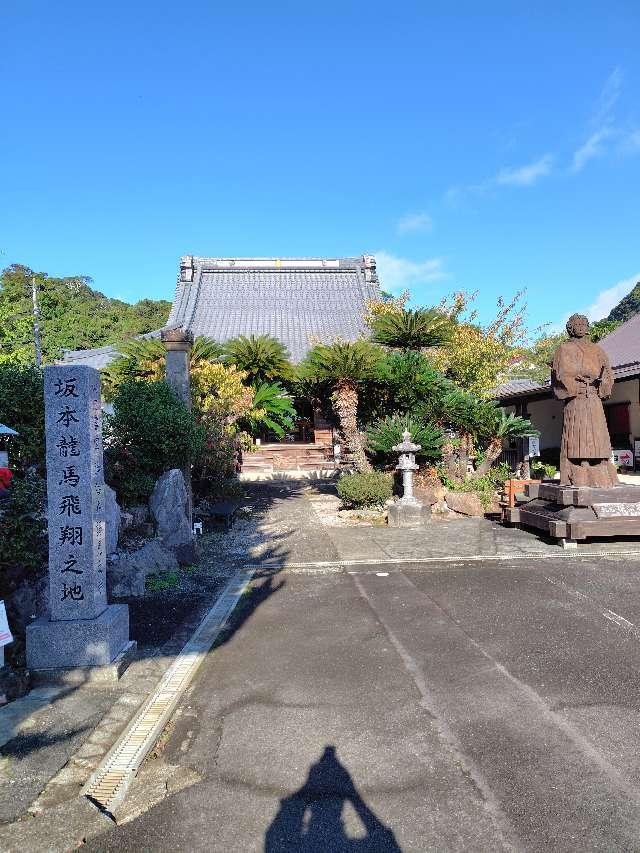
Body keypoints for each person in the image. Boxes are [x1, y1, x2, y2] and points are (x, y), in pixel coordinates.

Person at [551, 314, 618, 487]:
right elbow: (559, 375)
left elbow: (608, 374)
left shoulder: (597, 350)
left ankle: (601, 462)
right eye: (577, 324)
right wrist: (574, 386)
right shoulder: (564, 349)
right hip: (576, 398)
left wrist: (602, 383)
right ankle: (580, 464)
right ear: (570, 328)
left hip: (594, 396)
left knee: (597, 431)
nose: (581, 326)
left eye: (583, 323)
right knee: (578, 430)